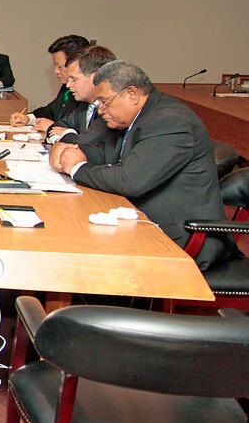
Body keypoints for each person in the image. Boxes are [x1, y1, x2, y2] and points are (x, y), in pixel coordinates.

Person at [49, 61, 230, 270]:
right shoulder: (131, 117)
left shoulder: (170, 121)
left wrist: (76, 168)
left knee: (76, 253)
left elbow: (130, 181)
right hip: (139, 218)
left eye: (105, 102)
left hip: (182, 237)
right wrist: (66, 151)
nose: (100, 110)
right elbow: (102, 152)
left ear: (131, 95)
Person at [10, 34, 90, 131]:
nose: (56, 71)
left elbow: (81, 130)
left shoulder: (88, 97)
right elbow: (50, 111)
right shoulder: (66, 88)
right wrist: (27, 119)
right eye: (54, 65)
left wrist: (54, 126)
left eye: (60, 66)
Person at [46, 45, 116, 145]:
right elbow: (54, 127)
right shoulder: (85, 106)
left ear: (96, 77)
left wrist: (67, 133)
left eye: (73, 79)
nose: (68, 85)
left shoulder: (109, 109)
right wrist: (60, 138)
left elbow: (84, 143)